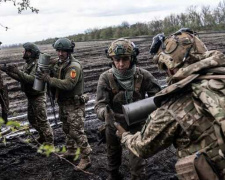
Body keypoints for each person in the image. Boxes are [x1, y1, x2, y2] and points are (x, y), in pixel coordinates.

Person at [115, 29, 225, 180]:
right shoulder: (220, 78)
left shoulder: (174, 106)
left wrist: (125, 136)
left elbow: (143, 146)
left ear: (171, 67)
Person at [95, 38, 161, 180]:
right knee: (112, 154)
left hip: (137, 123)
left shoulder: (143, 75)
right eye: (116, 59)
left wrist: (149, 113)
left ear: (132, 58)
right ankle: (114, 174)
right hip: (114, 123)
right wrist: (105, 113)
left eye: (125, 59)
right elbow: (99, 104)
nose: (120, 64)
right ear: (111, 59)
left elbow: (159, 98)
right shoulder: (105, 78)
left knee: (137, 159)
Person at [36, 37, 92, 170]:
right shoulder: (60, 63)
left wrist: (49, 79)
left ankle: (86, 158)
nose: (60, 53)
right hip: (63, 103)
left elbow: (68, 84)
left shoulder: (74, 67)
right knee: (67, 129)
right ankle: (71, 151)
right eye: (58, 50)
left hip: (74, 104)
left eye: (63, 51)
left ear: (69, 51)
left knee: (77, 132)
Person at [1, 42, 54, 144]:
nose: (23, 52)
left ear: (30, 53)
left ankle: (50, 143)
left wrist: (17, 71)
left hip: (38, 97)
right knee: (32, 119)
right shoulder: (28, 64)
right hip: (31, 96)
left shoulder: (38, 64)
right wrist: (8, 71)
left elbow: (32, 80)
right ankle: (43, 136)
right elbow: (22, 79)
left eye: (25, 50)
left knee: (43, 121)